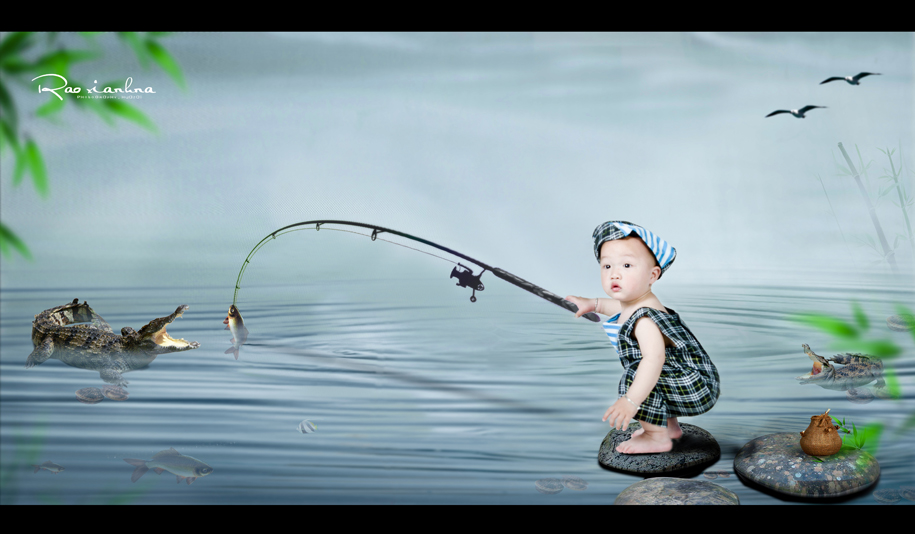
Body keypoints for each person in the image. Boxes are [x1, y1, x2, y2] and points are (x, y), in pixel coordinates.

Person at [566, 221, 719, 454]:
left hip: (695, 387)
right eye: (607, 266)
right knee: (652, 375)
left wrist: (630, 401)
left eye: (627, 265)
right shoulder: (637, 302)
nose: (614, 273)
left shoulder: (645, 319)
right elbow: (617, 307)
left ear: (653, 274)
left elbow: (654, 360)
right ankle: (670, 428)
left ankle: (656, 437)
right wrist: (593, 304)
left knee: (637, 375)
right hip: (693, 380)